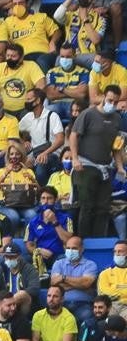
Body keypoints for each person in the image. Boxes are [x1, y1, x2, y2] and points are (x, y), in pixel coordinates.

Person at [70, 89, 119, 238]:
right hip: (86, 165)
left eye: (115, 102)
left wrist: (121, 167)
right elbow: (73, 135)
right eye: (110, 100)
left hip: (105, 167)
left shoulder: (117, 118)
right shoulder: (88, 114)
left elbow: (116, 145)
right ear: (103, 97)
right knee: (87, 205)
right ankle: (84, 240)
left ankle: (99, 240)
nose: (112, 104)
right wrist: (75, 158)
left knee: (103, 207)